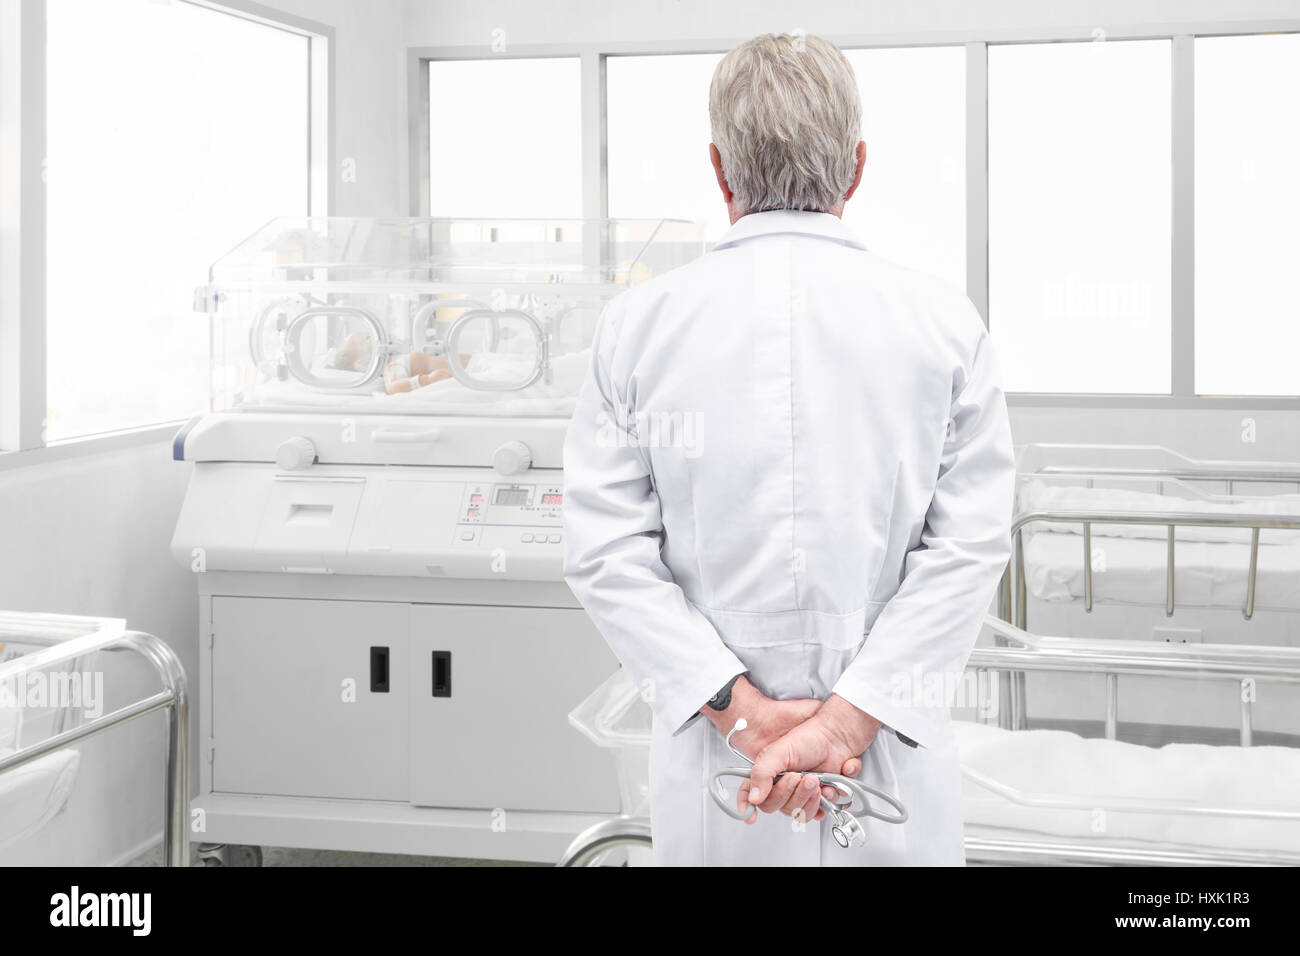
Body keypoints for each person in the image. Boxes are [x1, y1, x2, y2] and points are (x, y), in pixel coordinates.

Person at [562, 33, 1015, 866]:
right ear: (857, 166)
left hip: (723, 769)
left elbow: (604, 553)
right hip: (883, 760)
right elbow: (971, 548)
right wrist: (845, 721)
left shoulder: (638, 327)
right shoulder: (944, 325)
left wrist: (745, 717)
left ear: (720, 168)